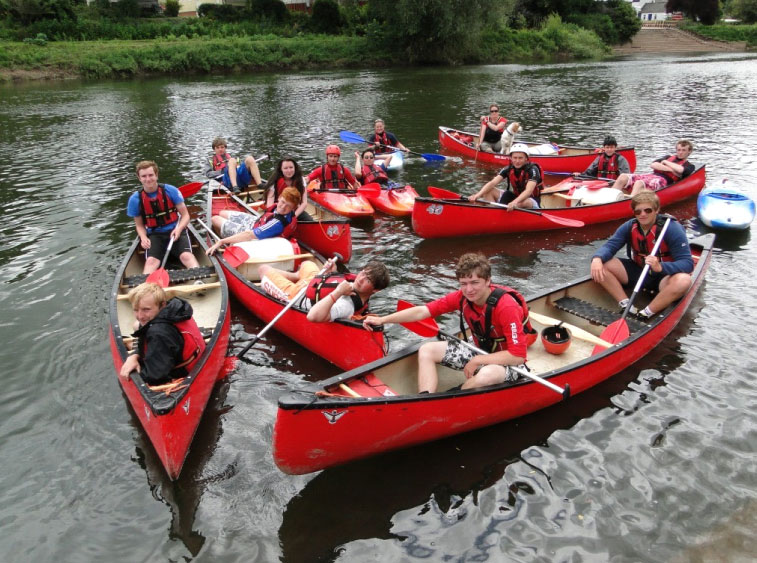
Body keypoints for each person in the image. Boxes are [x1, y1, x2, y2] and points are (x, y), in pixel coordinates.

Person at [363, 253, 533, 393]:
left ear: (488, 281)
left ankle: (454, 397)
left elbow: (517, 356)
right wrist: (382, 319)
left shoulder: (506, 307)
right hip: (479, 350)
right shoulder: (462, 297)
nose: (469, 289)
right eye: (464, 284)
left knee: (487, 375)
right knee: (427, 349)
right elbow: (423, 311)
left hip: (509, 364)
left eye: (475, 282)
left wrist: (478, 360)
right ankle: (425, 399)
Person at [590, 192, 693, 319]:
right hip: (639, 272)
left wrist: (660, 266)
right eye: (638, 211)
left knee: (684, 281)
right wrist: (597, 258)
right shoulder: (630, 226)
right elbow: (610, 246)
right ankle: (627, 306)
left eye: (647, 210)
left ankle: (646, 313)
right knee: (603, 263)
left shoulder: (672, 228)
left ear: (656, 210)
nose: (642, 214)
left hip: (663, 277)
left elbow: (687, 264)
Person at [119, 283, 206, 385]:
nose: (140, 315)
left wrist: (134, 373)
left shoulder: (158, 333)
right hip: (182, 356)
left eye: (146, 309)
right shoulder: (175, 309)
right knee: (137, 325)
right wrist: (134, 356)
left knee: (139, 326)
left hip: (181, 372)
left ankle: (129, 346)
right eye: (136, 310)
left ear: (162, 305)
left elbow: (156, 377)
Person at [127, 160, 200, 275]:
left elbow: (185, 216)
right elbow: (139, 225)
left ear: (156, 175)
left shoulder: (171, 191)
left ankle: (199, 279)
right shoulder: (135, 199)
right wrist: (143, 237)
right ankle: (145, 288)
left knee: (186, 256)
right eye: (144, 176)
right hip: (154, 234)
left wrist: (179, 229)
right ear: (139, 178)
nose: (148, 179)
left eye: (151, 175)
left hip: (175, 231)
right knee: (151, 261)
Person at [258, 260, 390, 323]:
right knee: (307, 263)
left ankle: (291, 280)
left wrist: (338, 292)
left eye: (368, 280)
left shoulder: (346, 305)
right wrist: (332, 273)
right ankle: (296, 277)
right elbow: (336, 283)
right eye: (363, 273)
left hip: (296, 296)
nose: (360, 279)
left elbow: (312, 317)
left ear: (375, 290)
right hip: (311, 285)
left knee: (263, 269)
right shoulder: (357, 286)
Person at [206, 187, 301, 255]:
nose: (283, 207)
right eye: (283, 202)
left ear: (293, 208)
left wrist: (221, 242)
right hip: (256, 222)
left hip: (252, 233)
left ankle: (227, 243)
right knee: (222, 213)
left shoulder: (277, 223)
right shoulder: (282, 210)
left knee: (215, 219)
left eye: (288, 206)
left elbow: (249, 235)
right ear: (279, 197)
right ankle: (228, 236)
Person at [468, 143, 541, 210]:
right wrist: (477, 195)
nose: (517, 161)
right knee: (488, 191)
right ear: (511, 158)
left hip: (531, 201)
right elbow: (492, 183)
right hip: (516, 198)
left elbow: (528, 191)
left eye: (520, 158)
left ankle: (502, 212)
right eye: (515, 158)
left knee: (524, 202)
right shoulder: (508, 169)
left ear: (526, 159)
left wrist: (514, 202)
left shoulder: (533, 170)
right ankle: (494, 213)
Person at [611, 140, 695, 197]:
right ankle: (609, 198)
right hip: (652, 175)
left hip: (664, 180)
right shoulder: (668, 157)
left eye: (683, 150)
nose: (680, 152)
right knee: (623, 176)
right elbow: (653, 165)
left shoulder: (689, 165)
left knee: (639, 183)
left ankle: (629, 203)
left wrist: (665, 163)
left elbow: (681, 170)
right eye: (679, 150)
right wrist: (672, 170)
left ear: (689, 151)